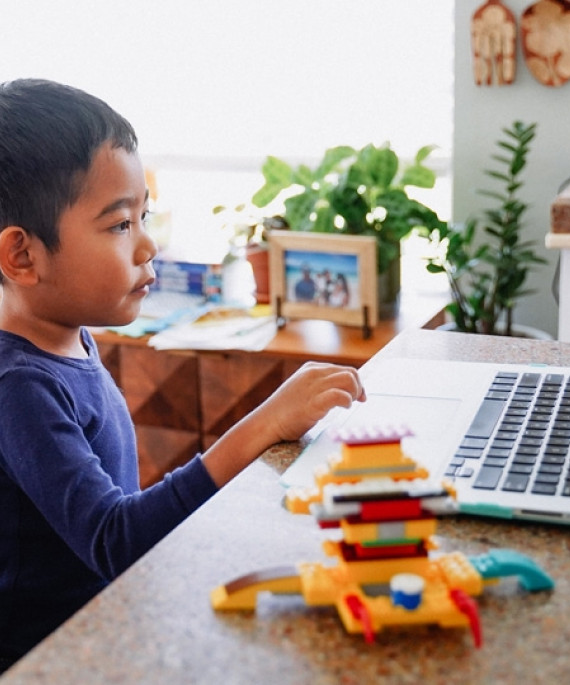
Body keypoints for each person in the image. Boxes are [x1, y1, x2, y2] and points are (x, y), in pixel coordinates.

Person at [0, 79, 366, 672]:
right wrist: (263, 422)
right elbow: (116, 542)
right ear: (23, 256)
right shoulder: (20, 389)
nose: (147, 245)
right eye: (119, 225)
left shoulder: (69, 339)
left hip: (107, 621)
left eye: (143, 216)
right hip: (51, 658)